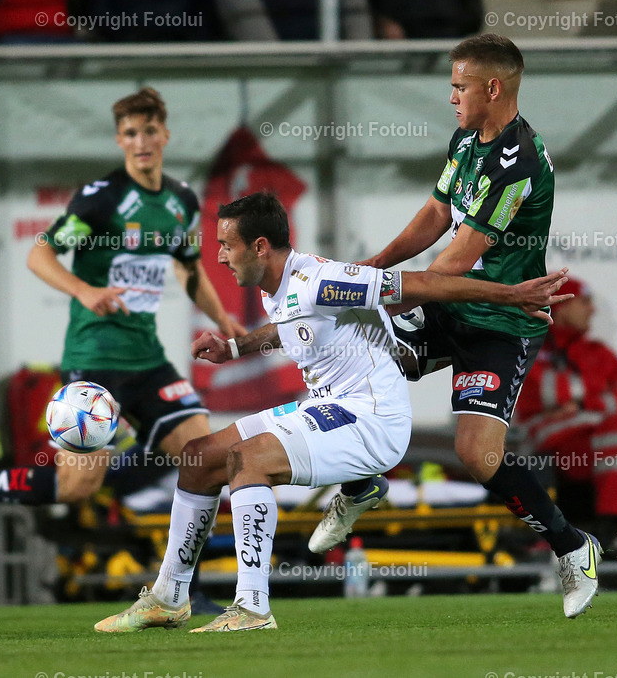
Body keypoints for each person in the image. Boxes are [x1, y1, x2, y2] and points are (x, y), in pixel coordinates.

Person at [93, 191, 573, 633]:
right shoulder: (274, 283)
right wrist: (234, 348)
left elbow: (426, 282)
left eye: (226, 245)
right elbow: (291, 326)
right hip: (327, 407)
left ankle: (253, 607)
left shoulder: (324, 281)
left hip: (372, 420)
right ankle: (170, 597)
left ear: (260, 246)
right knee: (199, 456)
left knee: (247, 461)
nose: (218, 255)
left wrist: (514, 296)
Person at [0, 88, 245, 612]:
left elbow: (188, 268)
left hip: (149, 361)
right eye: (130, 132)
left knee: (207, 459)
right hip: (94, 359)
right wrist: (84, 291)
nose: (141, 141)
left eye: (149, 130)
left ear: (165, 135)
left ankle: (181, 591)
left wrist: (224, 321)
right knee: (78, 485)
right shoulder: (101, 198)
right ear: (119, 139)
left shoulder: (180, 202)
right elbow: (41, 254)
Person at [315, 33, 600, 619]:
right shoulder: (468, 140)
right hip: (450, 303)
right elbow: (437, 213)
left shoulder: (516, 163)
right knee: (357, 366)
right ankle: (360, 486)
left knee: (477, 455)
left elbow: (457, 259)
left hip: (499, 316)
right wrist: (372, 269)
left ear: (492, 88)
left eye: (459, 85)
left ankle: (573, 548)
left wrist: (375, 296)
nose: (451, 97)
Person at [515, 277, 617, 562]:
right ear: (562, 305)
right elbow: (544, 390)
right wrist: (599, 396)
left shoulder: (597, 352)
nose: (592, 310)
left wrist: (582, 402)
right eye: (585, 302)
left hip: (590, 445)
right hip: (544, 445)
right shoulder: (530, 345)